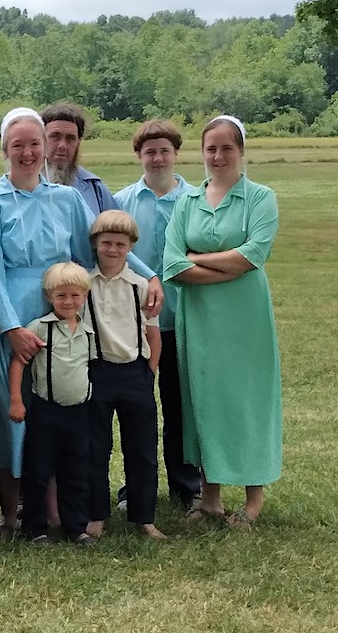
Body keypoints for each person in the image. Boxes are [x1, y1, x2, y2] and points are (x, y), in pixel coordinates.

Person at [0, 107, 162, 538]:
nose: (28, 152)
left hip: (64, 313)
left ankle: (58, 508)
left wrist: (148, 273)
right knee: (15, 411)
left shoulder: (67, 198)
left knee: (60, 406)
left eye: (34, 143)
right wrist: (10, 327)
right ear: (5, 149)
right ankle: (12, 511)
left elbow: (98, 250)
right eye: (17, 145)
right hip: (15, 315)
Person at [163, 115, 281, 529]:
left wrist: (197, 259)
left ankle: (252, 500)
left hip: (245, 318)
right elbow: (172, 266)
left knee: (246, 399)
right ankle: (209, 497)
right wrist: (227, 265)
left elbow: (254, 255)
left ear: (241, 151)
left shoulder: (260, 198)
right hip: (199, 318)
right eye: (210, 148)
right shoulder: (187, 202)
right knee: (204, 400)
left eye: (226, 148)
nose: (217, 156)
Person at [114, 120, 202, 510]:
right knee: (136, 409)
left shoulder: (196, 199)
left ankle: (188, 485)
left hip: (184, 317)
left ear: (176, 153)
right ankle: (136, 487)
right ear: (139, 156)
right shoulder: (122, 201)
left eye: (164, 150)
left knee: (181, 404)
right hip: (134, 322)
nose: (157, 157)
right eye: (150, 151)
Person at [84, 210, 165, 540]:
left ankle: (144, 517)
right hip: (96, 373)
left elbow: (153, 334)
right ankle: (95, 516)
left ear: (130, 246)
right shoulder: (83, 285)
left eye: (120, 244)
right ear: (95, 244)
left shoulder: (141, 286)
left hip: (135, 374)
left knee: (142, 448)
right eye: (106, 243)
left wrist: (149, 371)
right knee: (94, 448)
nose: (113, 250)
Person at [7, 262, 96, 545]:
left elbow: (91, 367)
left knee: (76, 471)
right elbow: (19, 362)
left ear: (84, 296)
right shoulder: (40, 328)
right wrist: (16, 401)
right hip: (45, 410)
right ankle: (35, 528)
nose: (68, 301)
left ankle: (75, 526)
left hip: (79, 412)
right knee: (38, 471)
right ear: (49, 297)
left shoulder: (89, 332)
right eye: (61, 296)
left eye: (74, 295)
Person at [41, 102, 118, 217]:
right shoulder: (22, 186)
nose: (62, 145)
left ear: (78, 142)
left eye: (70, 138)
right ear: (41, 138)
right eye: (55, 136)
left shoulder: (95, 189)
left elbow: (117, 230)